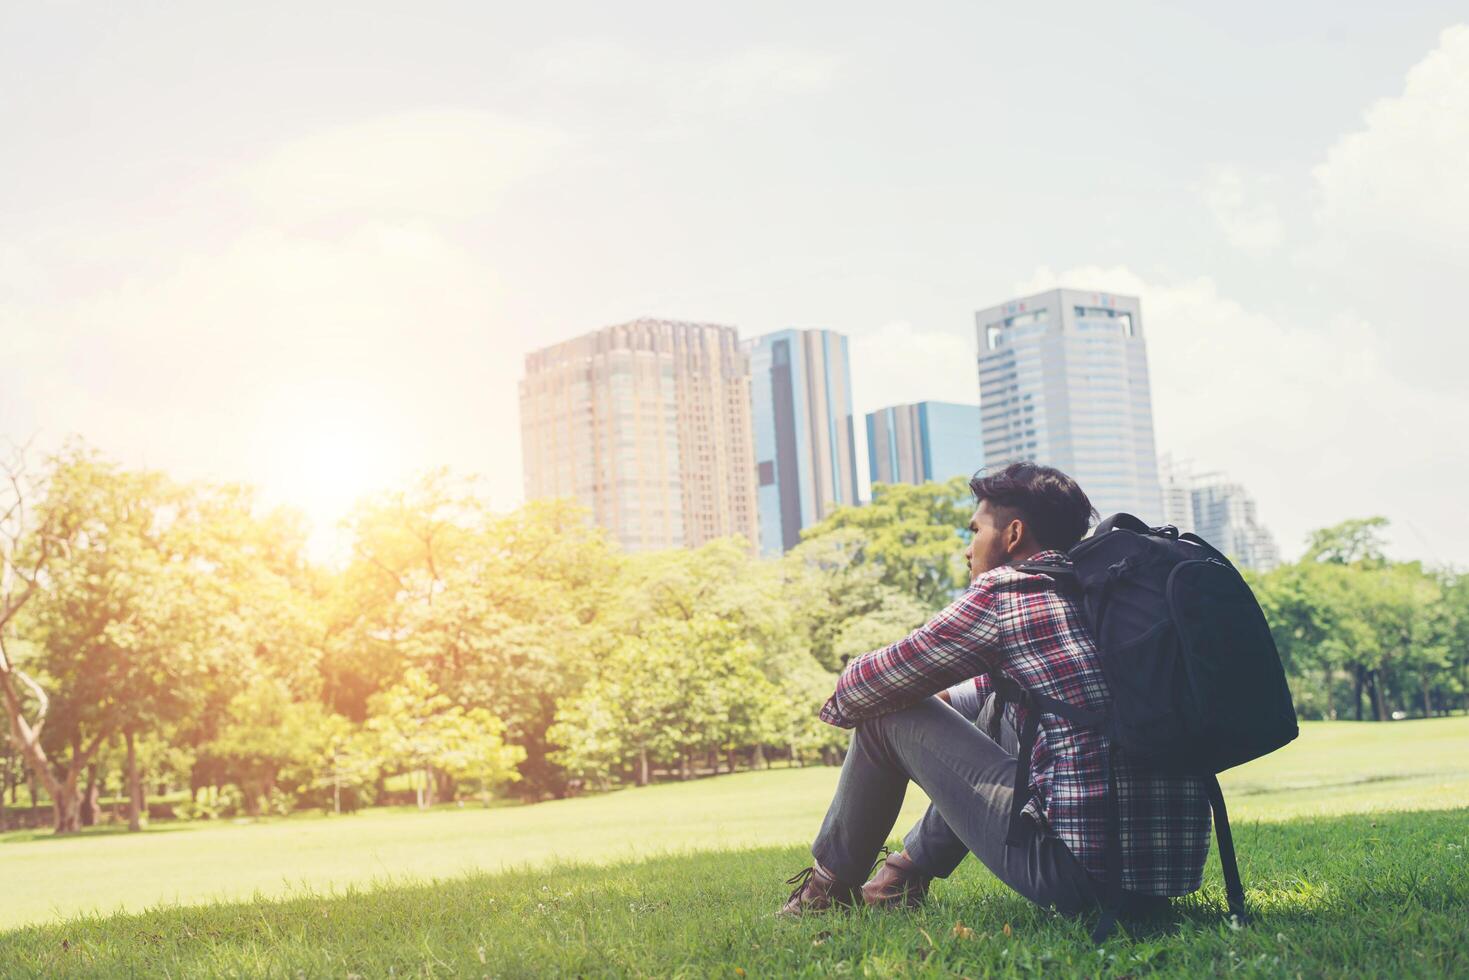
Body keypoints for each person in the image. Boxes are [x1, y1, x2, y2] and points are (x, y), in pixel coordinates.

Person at [779, 462, 1211, 922]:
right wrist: (933, 709)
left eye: (975, 530)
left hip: (1081, 874)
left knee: (884, 713)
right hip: (1163, 875)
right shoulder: (1094, 594)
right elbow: (982, 695)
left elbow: (863, 689)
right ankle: (897, 881)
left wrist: (897, 700)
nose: (968, 550)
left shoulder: (1007, 593)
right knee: (999, 706)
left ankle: (823, 895)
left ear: (1013, 534)